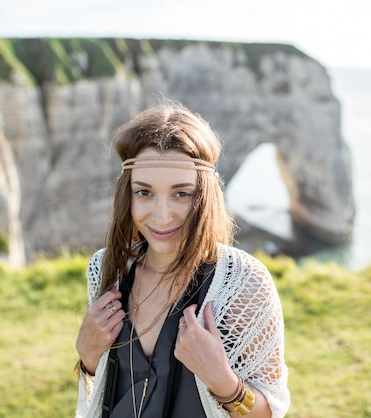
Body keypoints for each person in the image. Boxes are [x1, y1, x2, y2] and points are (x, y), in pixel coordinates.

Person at [75, 102, 290, 418]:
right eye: (144, 193)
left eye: (182, 194)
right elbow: (101, 384)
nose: (161, 217)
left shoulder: (243, 283)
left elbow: (271, 411)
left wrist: (223, 381)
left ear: (204, 197)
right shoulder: (107, 268)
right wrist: (87, 355)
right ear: (127, 195)